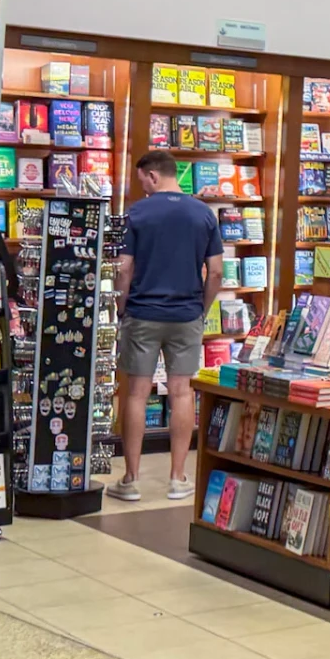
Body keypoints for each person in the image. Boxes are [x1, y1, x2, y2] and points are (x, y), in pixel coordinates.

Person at [111, 150, 222, 501]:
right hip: (187, 314)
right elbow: (216, 271)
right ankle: (177, 478)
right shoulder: (204, 214)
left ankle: (131, 479)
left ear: (153, 176)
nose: (141, 188)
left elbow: (123, 268)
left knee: (136, 393)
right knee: (182, 392)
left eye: (142, 180)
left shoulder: (137, 213)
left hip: (143, 312)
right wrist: (201, 310)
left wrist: (121, 306)